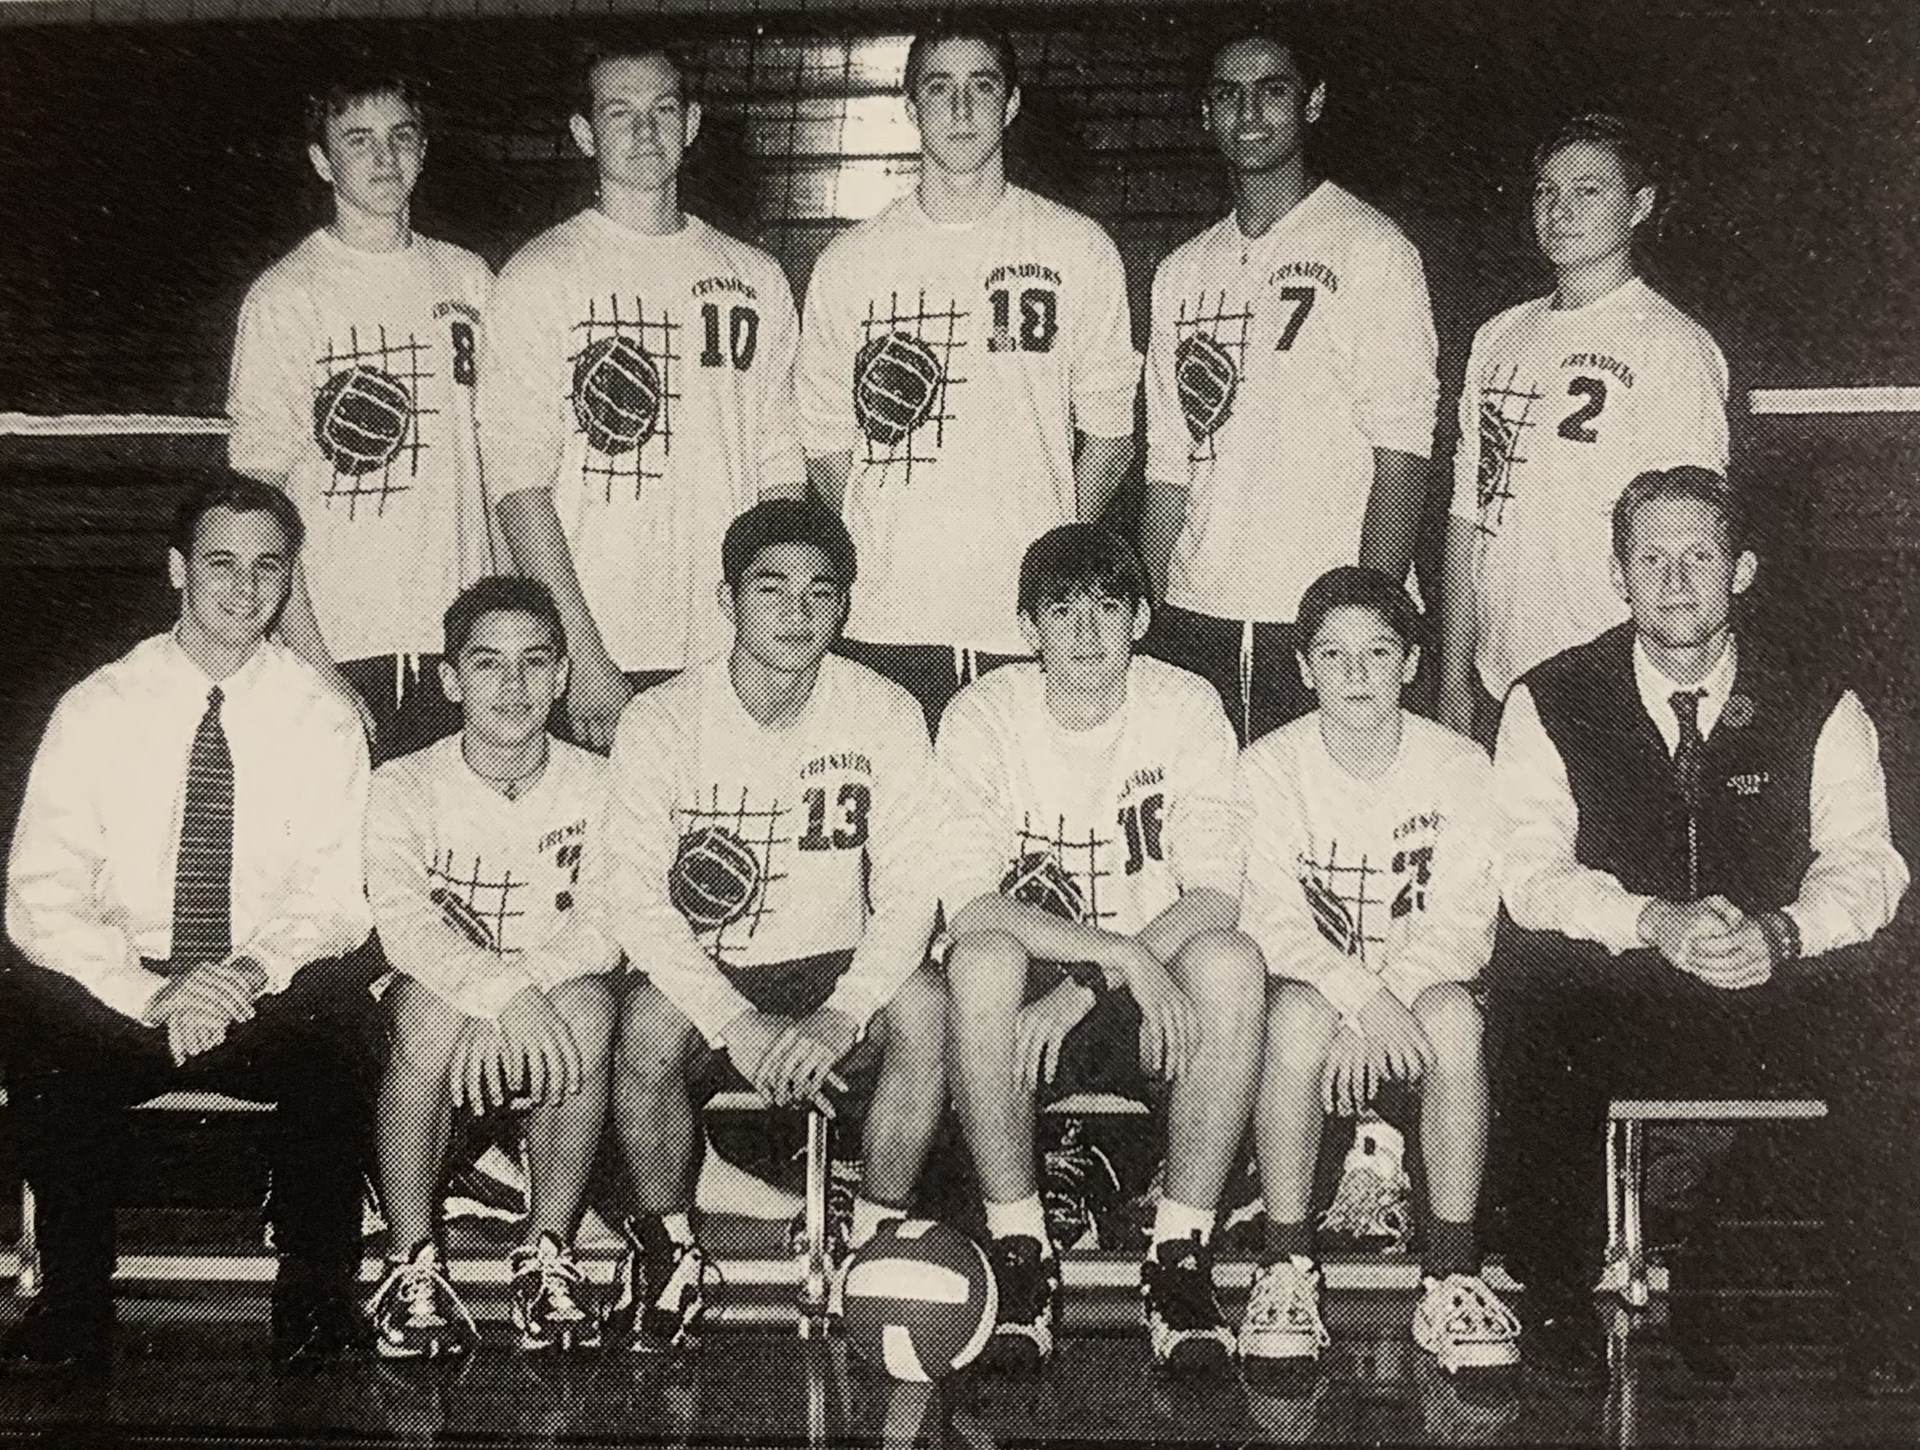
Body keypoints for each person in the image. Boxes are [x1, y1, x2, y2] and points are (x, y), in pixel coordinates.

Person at [1489, 467, 1916, 1389]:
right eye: (1652, 559)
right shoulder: (1549, 698)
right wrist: (1649, 921)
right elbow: (1529, 874)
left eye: (1700, 557)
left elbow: (1868, 863)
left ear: (1742, 570)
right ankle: (1557, 1300)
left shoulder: (1822, 699)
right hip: (1623, 982)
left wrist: (1784, 933)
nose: (1676, 581)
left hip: (1769, 982)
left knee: (1893, 1008)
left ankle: (1884, 1311)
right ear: (1618, 574)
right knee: (1528, 981)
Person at [0, 476, 379, 1367]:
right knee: (39, 1025)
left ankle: (316, 1300)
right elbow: (40, 892)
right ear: (176, 571)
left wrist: (237, 978)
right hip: (130, 978)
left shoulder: (322, 718)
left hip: (260, 982)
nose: (245, 590)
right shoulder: (98, 706)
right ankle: (73, 1303)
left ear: (289, 580)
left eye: (267, 569)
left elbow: (331, 900)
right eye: (221, 564)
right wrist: (153, 990)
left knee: (346, 1032)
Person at [599, 499, 947, 1354]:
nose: (796, 612)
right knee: (646, 1024)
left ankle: (873, 1241)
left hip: (834, 962)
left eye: (819, 593)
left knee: (926, 1006)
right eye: (771, 589)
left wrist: (843, 1010)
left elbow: (911, 892)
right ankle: (667, 1251)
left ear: (845, 608)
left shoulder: (888, 711)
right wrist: (733, 1022)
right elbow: (629, 899)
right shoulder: (661, 719)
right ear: (727, 601)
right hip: (712, 971)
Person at [938, 523, 1262, 1373]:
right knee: (979, 962)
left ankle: (1178, 1258)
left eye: (1107, 608)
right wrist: (1110, 956)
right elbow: (971, 906)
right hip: (1035, 993)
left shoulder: (1187, 703)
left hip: (1151, 989)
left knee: (1230, 960)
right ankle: (1021, 1254)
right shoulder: (983, 714)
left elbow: (1216, 892)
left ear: (1142, 620)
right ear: (1027, 627)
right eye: (1061, 610)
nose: (1084, 632)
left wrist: (1100, 976)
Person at [798, 20, 1140, 731]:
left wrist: (1047, 560)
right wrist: (882, 538)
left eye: (981, 87)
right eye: (939, 88)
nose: (960, 110)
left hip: (1023, 625)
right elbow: (827, 443)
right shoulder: (851, 262)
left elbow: (1110, 440)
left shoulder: (1076, 247)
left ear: (1011, 104)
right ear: (909, 106)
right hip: (888, 618)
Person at [1233, 566, 1518, 1378]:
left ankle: (1451, 1273)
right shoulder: (1267, 769)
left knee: (1457, 1018)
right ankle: (1287, 1267)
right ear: (1303, 668)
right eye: (1333, 653)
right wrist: (1361, 1001)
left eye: (1377, 652)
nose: (1355, 674)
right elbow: (1270, 920)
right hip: (1320, 994)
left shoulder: (1461, 766)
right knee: (1294, 1017)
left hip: (1418, 989)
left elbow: (1467, 917)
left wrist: (1386, 1002)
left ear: (1412, 663)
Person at [484, 40, 804, 750]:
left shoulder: (756, 276)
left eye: (662, 110)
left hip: (729, 650)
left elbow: (783, 474)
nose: (643, 130)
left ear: (691, 123)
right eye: (618, 112)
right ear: (583, 133)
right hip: (601, 651)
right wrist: (583, 653)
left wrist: (778, 637)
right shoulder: (539, 277)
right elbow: (518, 487)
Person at [1141, 24, 1437, 745]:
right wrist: (1152, 615)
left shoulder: (1372, 249)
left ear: (1313, 102)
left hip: (1321, 624)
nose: (1249, 114)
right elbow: (1167, 469)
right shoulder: (1182, 270)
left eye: (1272, 92)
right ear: (1205, 114)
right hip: (1196, 612)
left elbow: (1402, 454)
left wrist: (1366, 621)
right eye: (1228, 96)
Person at [361, 577, 620, 1358]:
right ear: (450, 680)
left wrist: (521, 993)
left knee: (590, 1005)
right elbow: (404, 927)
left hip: (549, 1004)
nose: (513, 685)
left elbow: (611, 924)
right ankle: (412, 1263)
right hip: (435, 1005)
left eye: (536, 663)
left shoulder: (604, 784)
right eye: (487, 663)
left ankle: (547, 1258)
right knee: (428, 1009)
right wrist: (498, 993)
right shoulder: (400, 784)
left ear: (564, 676)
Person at [227, 67, 494, 763]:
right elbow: (261, 502)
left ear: (424, 149)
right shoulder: (286, 297)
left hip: (461, 644)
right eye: (359, 140)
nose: (384, 157)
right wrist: (315, 664)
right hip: (343, 644)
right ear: (322, 160)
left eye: (401, 136)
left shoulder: (470, 280)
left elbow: (498, 464)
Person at [1439, 114, 1729, 743]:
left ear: (1639, 205)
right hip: (1500, 677)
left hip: (1611, 676)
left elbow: (1695, 537)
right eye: (1546, 191)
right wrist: (1455, 673)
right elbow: (1470, 513)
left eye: (1587, 190)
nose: (1560, 209)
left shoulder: (1670, 344)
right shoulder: (1498, 336)